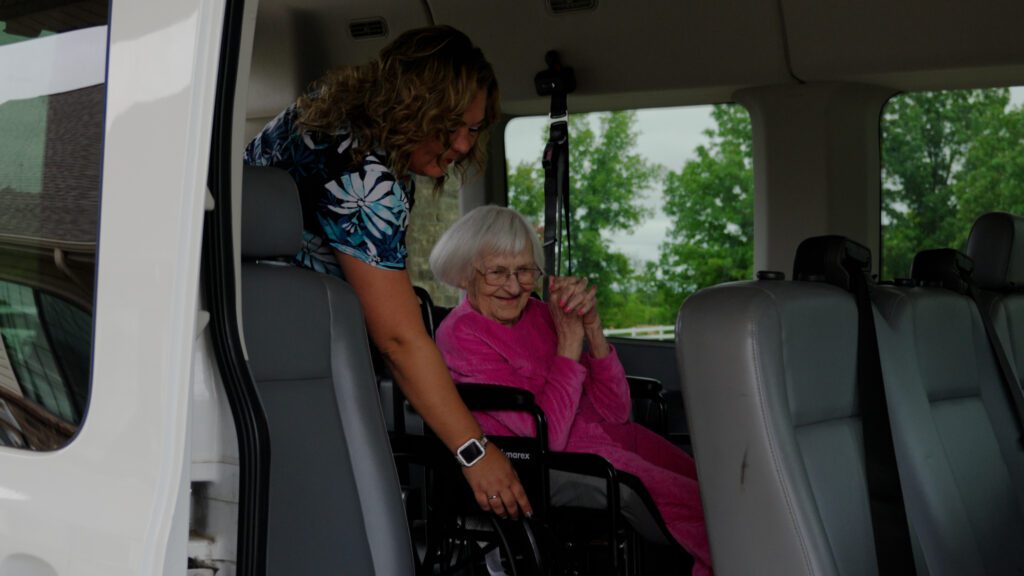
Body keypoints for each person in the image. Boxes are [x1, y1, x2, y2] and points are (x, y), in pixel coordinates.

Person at [243, 26, 531, 519]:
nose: (463, 144)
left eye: (476, 128)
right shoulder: (366, 177)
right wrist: (476, 452)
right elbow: (397, 340)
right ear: (412, 106)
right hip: (288, 353)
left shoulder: (326, 112)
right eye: (450, 125)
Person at [430, 205, 712, 576]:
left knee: (712, 486)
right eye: (498, 272)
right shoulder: (462, 333)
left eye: (525, 271)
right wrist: (568, 344)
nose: (514, 287)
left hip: (608, 440)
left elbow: (615, 414)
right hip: (543, 461)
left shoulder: (540, 314)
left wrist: (592, 330)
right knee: (699, 511)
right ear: (466, 273)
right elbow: (547, 439)